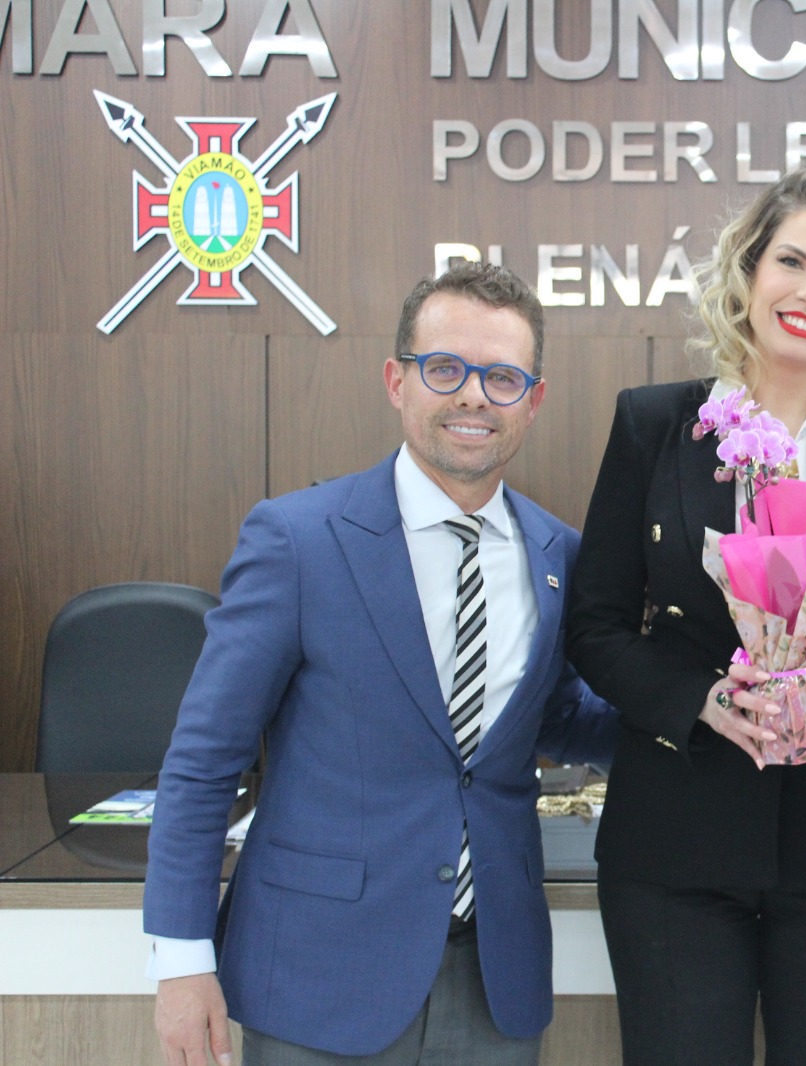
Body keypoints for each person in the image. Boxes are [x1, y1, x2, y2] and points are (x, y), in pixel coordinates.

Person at [143, 262, 616, 1065]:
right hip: (319, 976)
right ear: (397, 381)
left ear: (533, 400)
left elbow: (558, 716)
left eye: (502, 378)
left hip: (493, 978)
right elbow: (204, 759)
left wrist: (701, 712)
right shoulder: (298, 540)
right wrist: (181, 961)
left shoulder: (559, 554)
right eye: (445, 369)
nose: (474, 397)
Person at [565, 161, 806, 1066]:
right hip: (674, 844)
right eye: (793, 263)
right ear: (748, 271)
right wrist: (700, 699)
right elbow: (596, 625)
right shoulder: (656, 424)